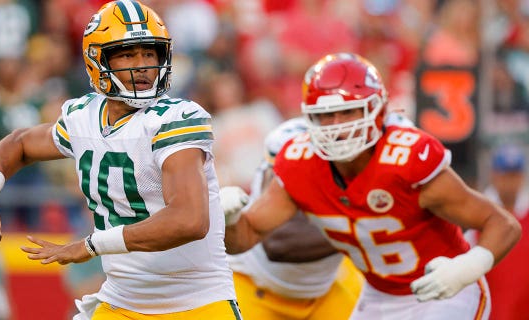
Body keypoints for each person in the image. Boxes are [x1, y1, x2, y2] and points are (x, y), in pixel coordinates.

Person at [0, 1, 239, 319]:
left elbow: (189, 220)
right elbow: (20, 143)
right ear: (96, 60)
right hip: (123, 302)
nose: (142, 64)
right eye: (128, 53)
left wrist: (92, 244)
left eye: (149, 53)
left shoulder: (176, 118)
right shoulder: (83, 117)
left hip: (197, 302)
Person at [219, 53, 521, 319]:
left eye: (348, 111)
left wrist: (469, 266)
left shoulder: (406, 159)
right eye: (325, 115)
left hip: (442, 287)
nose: (337, 125)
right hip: (379, 295)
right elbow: (246, 237)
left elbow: (503, 223)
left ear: (377, 109)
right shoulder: (299, 162)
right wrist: (231, 220)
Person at [226, 117, 364, 320]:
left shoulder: (344, 171)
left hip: (323, 291)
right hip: (256, 288)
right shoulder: (279, 175)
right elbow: (278, 244)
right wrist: (364, 228)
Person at [472, 144, 529, 319]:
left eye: (514, 175)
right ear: (494, 175)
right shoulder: (476, 215)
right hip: (490, 312)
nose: (510, 182)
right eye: (505, 175)